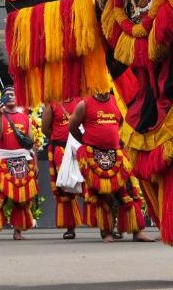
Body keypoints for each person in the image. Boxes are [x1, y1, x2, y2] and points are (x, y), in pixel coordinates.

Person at [69, 89, 152, 243]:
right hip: (93, 155)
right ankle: (106, 232)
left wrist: (115, 140)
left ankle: (136, 232)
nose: (105, 85)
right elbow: (72, 126)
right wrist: (86, 143)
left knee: (128, 191)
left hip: (116, 154)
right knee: (102, 195)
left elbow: (121, 124)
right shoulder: (84, 104)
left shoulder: (117, 101)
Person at [0, 87, 38, 241]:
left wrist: (36, 163)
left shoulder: (25, 118)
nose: (11, 96)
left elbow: (31, 143)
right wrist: (0, 114)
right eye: (7, 95)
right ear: (2, 100)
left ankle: (18, 231)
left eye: (13, 94)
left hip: (23, 161)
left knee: (22, 199)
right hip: (4, 161)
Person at [45, 95, 86, 239]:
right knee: (66, 187)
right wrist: (61, 140)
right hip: (61, 149)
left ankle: (103, 226)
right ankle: (70, 227)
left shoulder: (81, 100)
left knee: (89, 184)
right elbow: (45, 129)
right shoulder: (52, 104)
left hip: (81, 147)